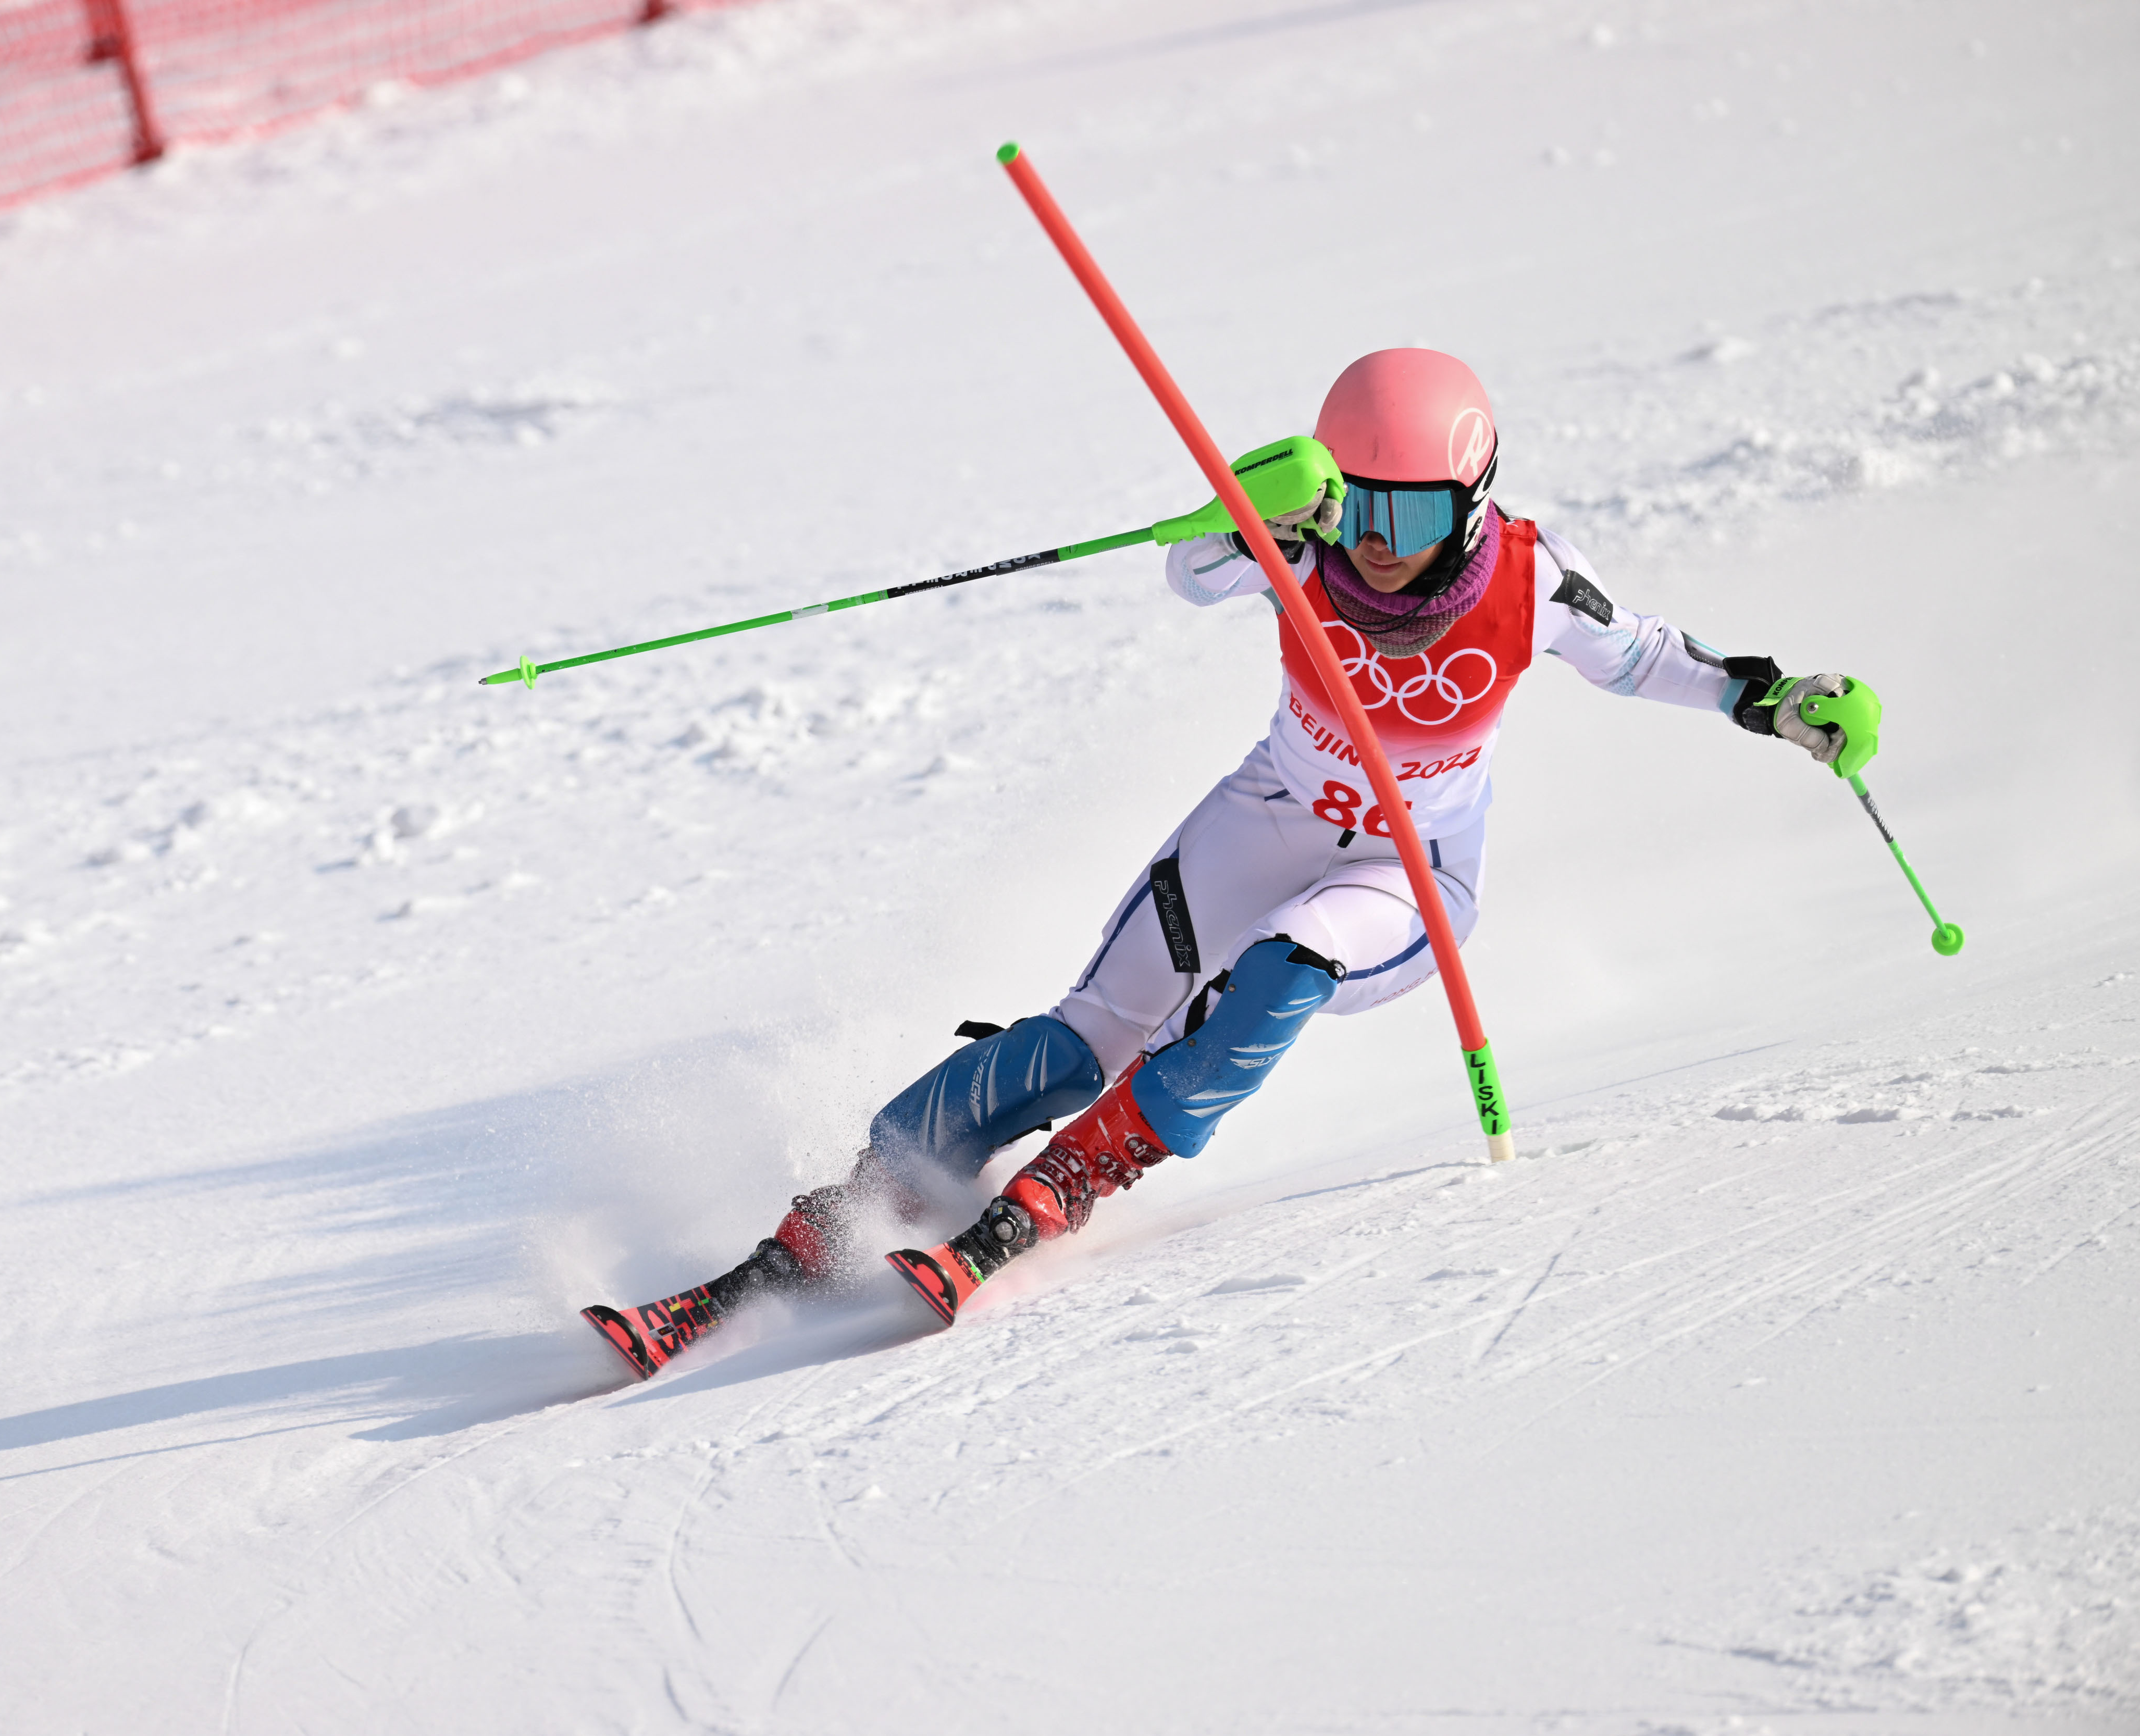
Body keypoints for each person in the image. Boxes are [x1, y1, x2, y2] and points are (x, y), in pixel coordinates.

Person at [587, 349, 1878, 1367]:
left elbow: (1647, 654)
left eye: (1410, 506)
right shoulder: (1298, 547)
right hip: (1266, 816)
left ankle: (1061, 1192)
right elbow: (1189, 570)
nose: (1377, 535)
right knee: (1084, 1033)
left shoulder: (1530, 579)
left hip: (1406, 871)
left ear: (1469, 496)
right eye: (1358, 499)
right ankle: (832, 1223)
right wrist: (1243, 508)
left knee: (1279, 974)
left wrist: (1775, 701)